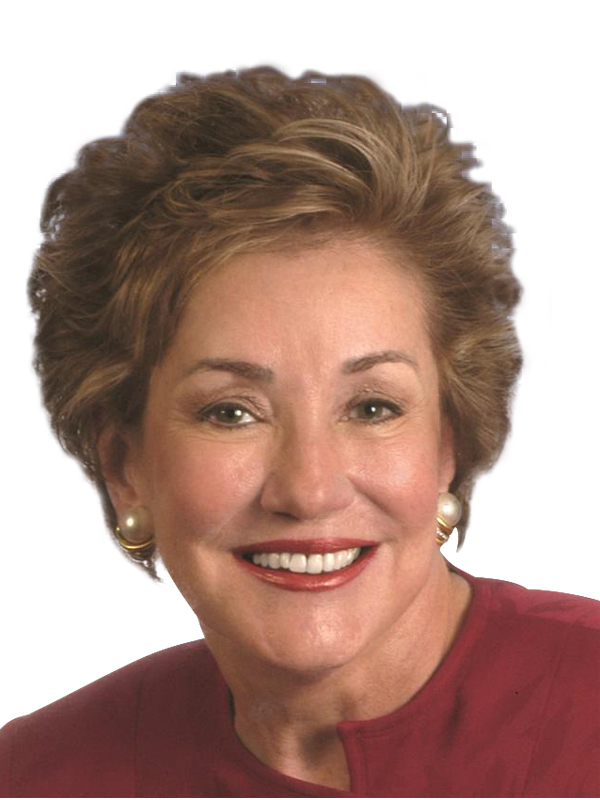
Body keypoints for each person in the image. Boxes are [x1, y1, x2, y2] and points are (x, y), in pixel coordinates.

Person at [0, 66, 598, 798]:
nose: (309, 490)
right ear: (127, 467)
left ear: (447, 445)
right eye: (232, 412)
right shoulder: (36, 776)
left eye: (372, 408)